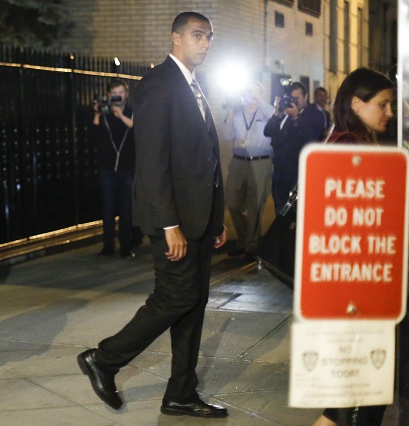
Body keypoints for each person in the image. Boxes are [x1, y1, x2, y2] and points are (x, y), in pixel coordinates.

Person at [77, 11, 228, 418]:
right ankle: (104, 360)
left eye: (210, 37)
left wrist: (217, 218)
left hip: (199, 217)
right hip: (173, 219)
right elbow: (152, 162)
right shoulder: (158, 85)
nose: (206, 43)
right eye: (198, 35)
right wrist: (170, 224)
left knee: (194, 303)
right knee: (175, 296)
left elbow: (206, 158)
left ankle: (181, 392)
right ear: (176, 38)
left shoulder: (194, 85)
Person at [312, 67, 394, 426]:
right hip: (357, 289)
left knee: (359, 393)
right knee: (359, 394)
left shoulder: (355, 141)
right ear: (357, 104)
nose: (390, 113)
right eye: (384, 104)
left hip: (360, 285)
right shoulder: (347, 145)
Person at [221, 81, 273, 262]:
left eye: (254, 91)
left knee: (255, 206)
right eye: (248, 90)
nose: (250, 93)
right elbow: (228, 136)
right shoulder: (237, 112)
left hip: (261, 162)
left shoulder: (266, 111)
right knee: (233, 202)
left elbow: (274, 117)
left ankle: (251, 246)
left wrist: (259, 99)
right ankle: (244, 240)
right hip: (239, 161)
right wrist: (229, 111)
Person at [89, 79, 135, 257]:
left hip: (126, 168)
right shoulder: (104, 114)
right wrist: (97, 114)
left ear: (126, 94)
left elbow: (136, 129)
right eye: (114, 93)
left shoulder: (131, 112)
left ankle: (126, 246)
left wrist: (120, 116)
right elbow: (93, 137)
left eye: (121, 92)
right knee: (108, 209)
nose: (117, 96)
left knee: (126, 209)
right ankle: (107, 246)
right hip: (107, 168)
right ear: (109, 95)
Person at [264, 81, 326, 212]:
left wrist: (297, 116)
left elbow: (312, 138)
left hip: (296, 175)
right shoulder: (285, 114)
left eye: (297, 98)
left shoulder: (314, 114)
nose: (294, 102)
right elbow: (267, 131)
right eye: (292, 98)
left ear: (306, 97)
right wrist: (276, 113)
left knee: (293, 215)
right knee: (279, 212)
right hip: (279, 173)